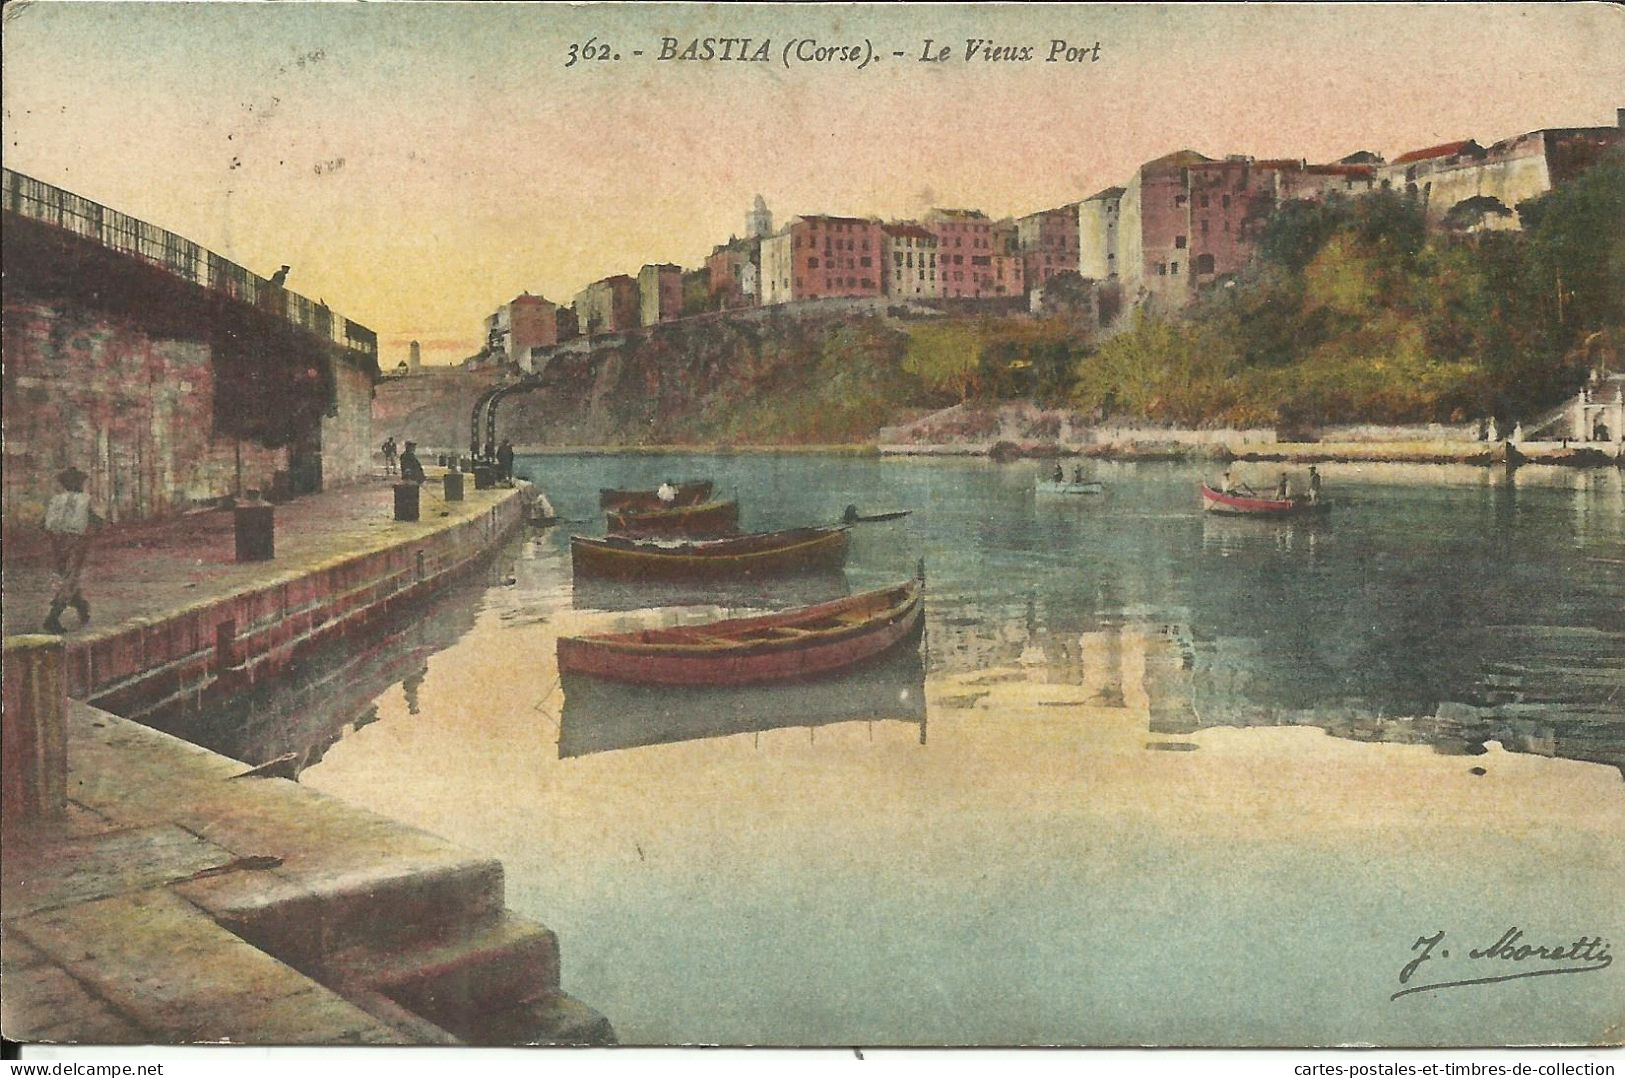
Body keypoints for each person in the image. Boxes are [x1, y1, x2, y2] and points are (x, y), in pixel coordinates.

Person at [43, 467, 102, 633]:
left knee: (66, 575)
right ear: (79, 484)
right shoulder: (86, 500)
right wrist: (92, 532)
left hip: (57, 541)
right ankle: (52, 618)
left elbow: (43, 523)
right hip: (77, 541)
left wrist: (55, 535)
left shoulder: (56, 500)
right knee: (71, 577)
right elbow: (98, 521)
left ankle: (82, 607)